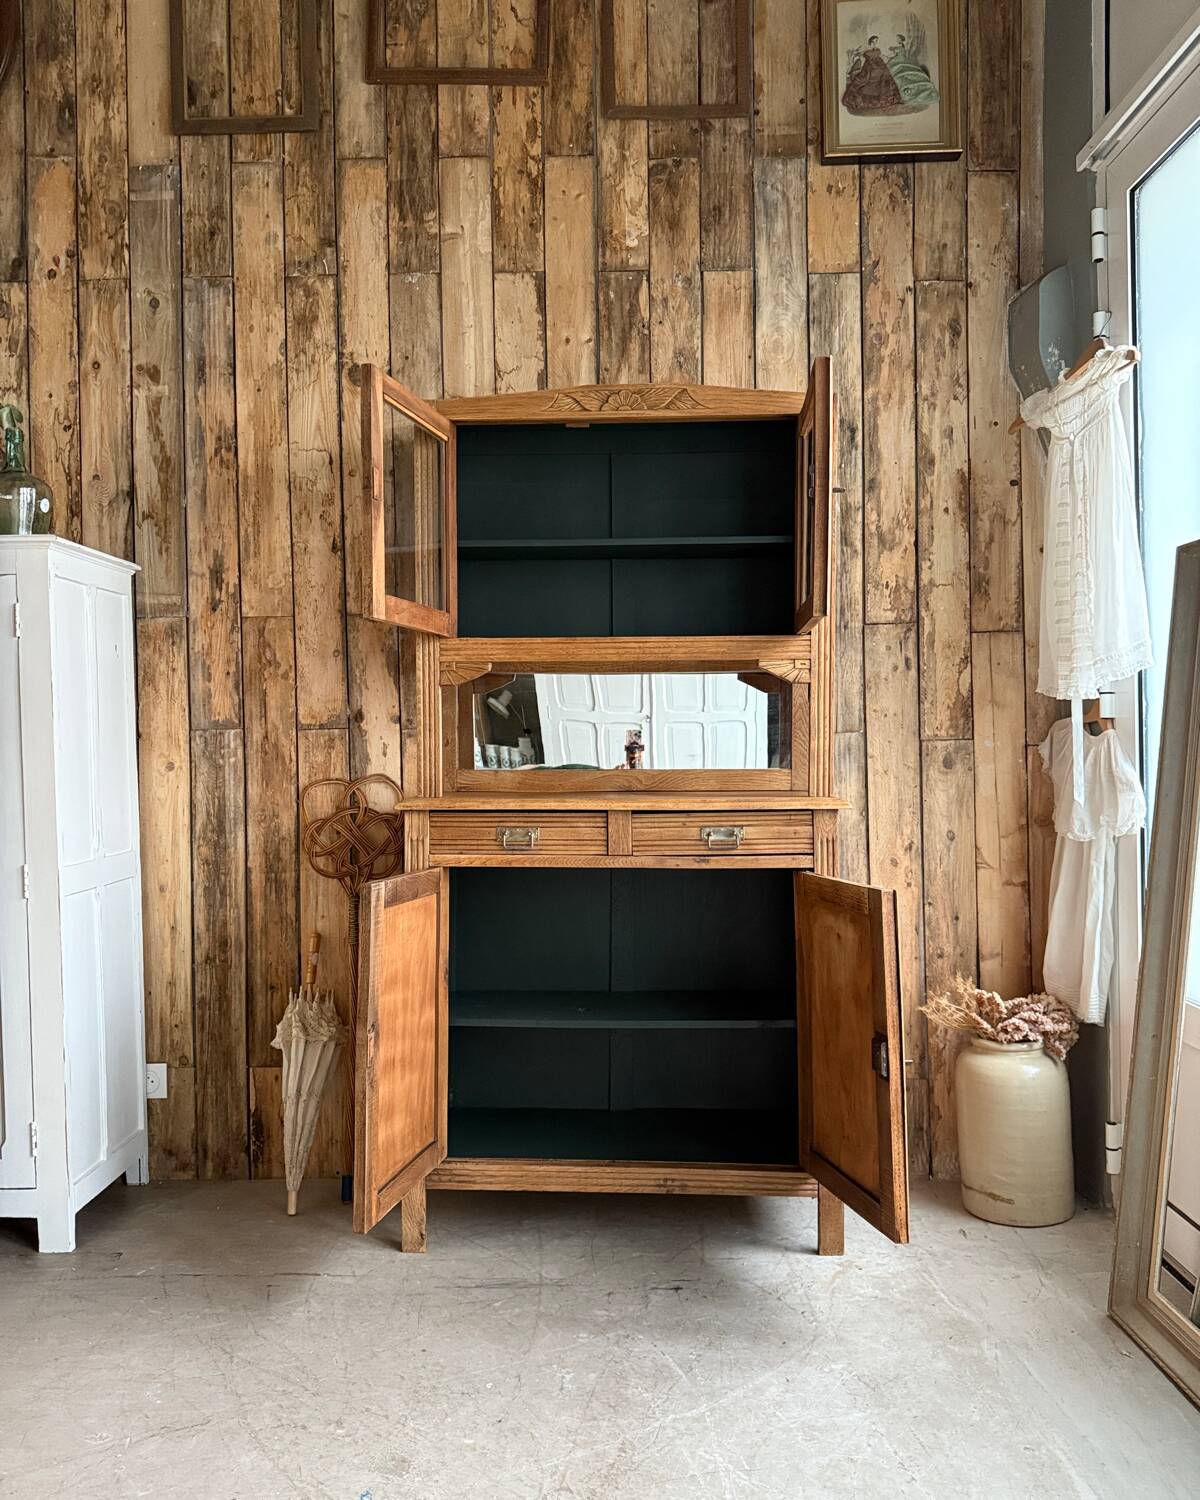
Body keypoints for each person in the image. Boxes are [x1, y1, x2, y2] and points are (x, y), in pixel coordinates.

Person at [842, 34, 904, 114]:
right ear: (871, 41)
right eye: (875, 41)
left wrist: (887, 59)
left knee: (886, 74)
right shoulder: (867, 51)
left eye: (876, 41)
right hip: (870, 68)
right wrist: (876, 67)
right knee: (872, 76)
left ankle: (892, 98)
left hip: (880, 65)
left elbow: (881, 56)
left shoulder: (877, 49)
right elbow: (869, 61)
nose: (876, 42)